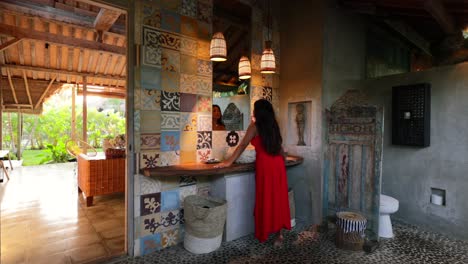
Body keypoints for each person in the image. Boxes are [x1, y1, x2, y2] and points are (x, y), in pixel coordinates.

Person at [215, 99, 291, 246]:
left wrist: (228, 162)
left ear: (258, 112)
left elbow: (243, 145)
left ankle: (264, 232)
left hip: (266, 166)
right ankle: (279, 235)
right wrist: (285, 158)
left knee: (265, 198)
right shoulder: (273, 125)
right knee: (278, 198)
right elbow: (279, 146)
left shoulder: (255, 126)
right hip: (278, 165)